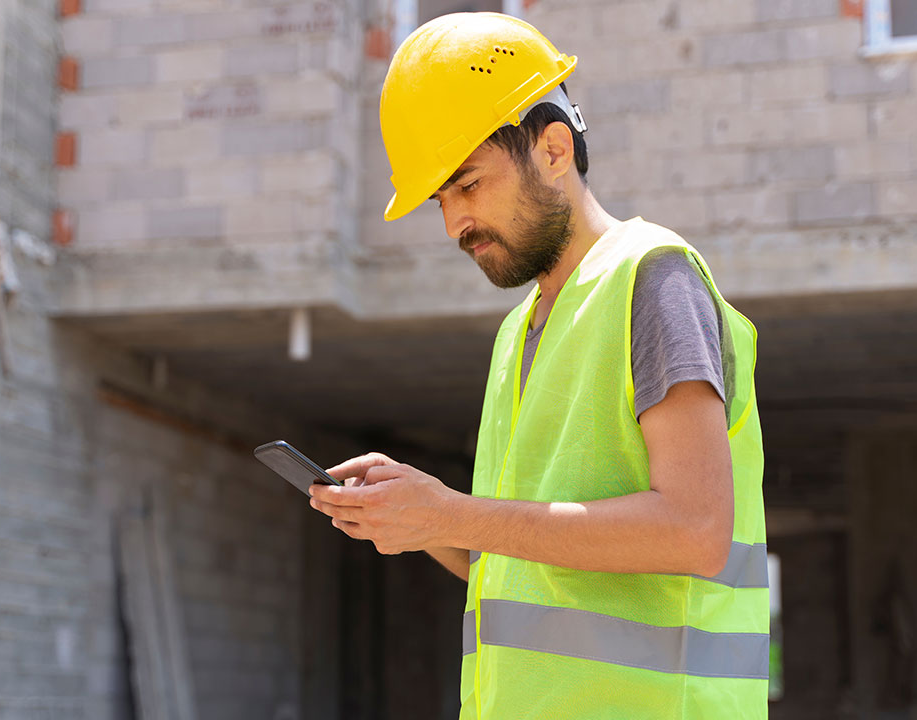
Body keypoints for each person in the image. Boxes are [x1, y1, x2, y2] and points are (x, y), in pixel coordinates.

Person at [307, 12, 767, 719]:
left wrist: (456, 513)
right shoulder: (520, 331)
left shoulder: (653, 278)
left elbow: (696, 531)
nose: (454, 223)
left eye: (468, 185)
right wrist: (425, 520)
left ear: (553, 149)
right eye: (440, 200)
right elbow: (520, 563)